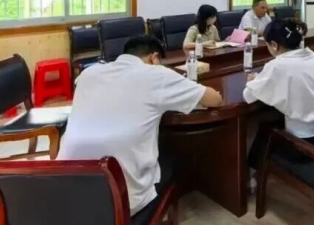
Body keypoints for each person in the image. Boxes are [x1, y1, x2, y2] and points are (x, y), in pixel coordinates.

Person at [58, 35, 223, 215]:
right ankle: (160, 217)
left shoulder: (88, 73)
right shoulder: (156, 74)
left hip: (65, 191)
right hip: (119, 201)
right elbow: (214, 99)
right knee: (172, 154)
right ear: (154, 58)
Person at [244, 19, 314, 168]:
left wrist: (254, 81)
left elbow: (248, 96)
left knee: (265, 129)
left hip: (306, 143)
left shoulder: (277, 66)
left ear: (274, 45)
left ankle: (254, 175)